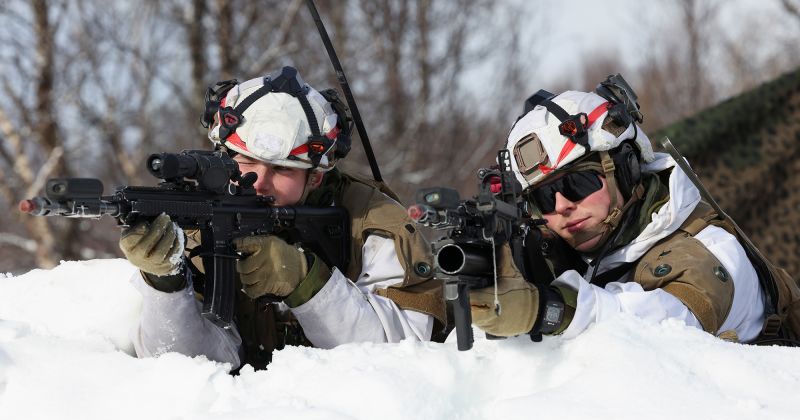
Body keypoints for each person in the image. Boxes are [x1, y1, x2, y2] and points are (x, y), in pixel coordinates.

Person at [119, 66, 445, 370]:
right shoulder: (207, 217)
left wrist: (305, 282)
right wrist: (167, 283)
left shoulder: (373, 220)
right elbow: (184, 365)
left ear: (316, 176)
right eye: (246, 161)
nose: (259, 182)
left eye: (282, 169)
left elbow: (402, 357)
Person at [469, 75, 795, 344]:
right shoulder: (586, 253)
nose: (561, 206)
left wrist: (545, 309)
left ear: (627, 171)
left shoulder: (709, 249)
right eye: (543, 198)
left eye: (577, 184)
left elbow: (670, 323)